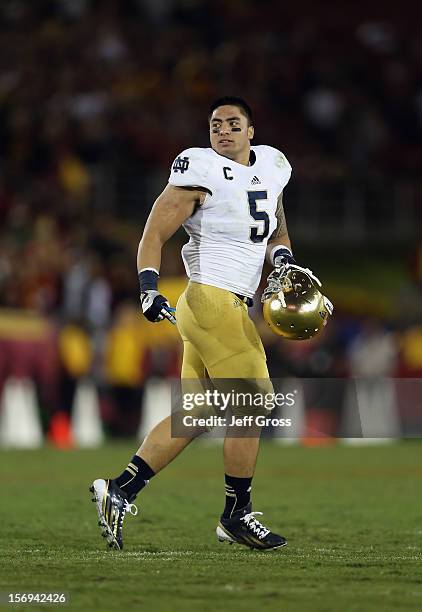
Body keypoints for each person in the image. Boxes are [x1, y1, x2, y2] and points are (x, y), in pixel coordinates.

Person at [90, 96, 302, 551]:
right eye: (214, 124)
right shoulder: (199, 168)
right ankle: (236, 515)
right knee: (251, 406)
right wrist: (148, 287)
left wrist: (282, 260)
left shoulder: (273, 164)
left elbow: (277, 228)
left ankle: (120, 490)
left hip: (229, 304)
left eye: (232, 123)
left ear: (251, 130)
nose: (222, 131)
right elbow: (153, 233)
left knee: (199, 412)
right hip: (210, 300)